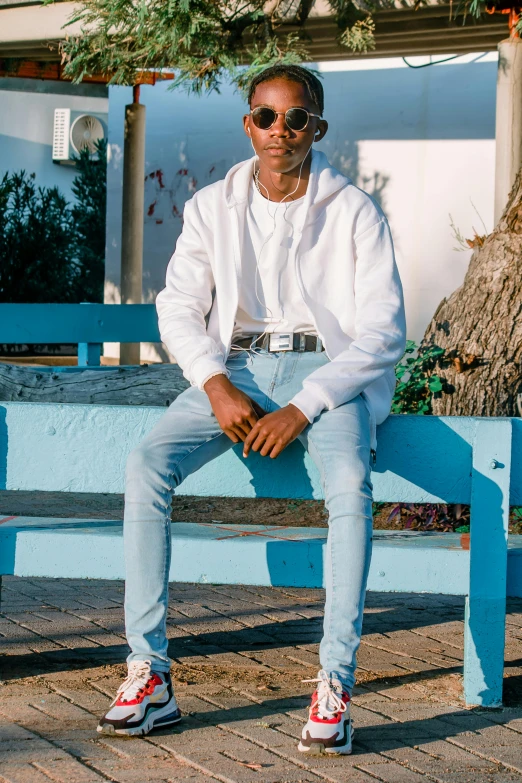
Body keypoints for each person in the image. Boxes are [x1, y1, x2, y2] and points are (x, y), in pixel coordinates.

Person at [97, 64, 406, 755]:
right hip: (235, 368)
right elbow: (178, 305)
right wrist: (213, 380)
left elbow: (384, 331)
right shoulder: (213, 205)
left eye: (296, 118)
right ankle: (150, 674)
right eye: (266, 117)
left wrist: (305, 405)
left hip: (330, 373)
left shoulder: (354, 211)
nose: (280, 131)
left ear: (316, 128)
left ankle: (335, 682)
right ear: (249, 124)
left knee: (351, 488)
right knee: (146, 463)